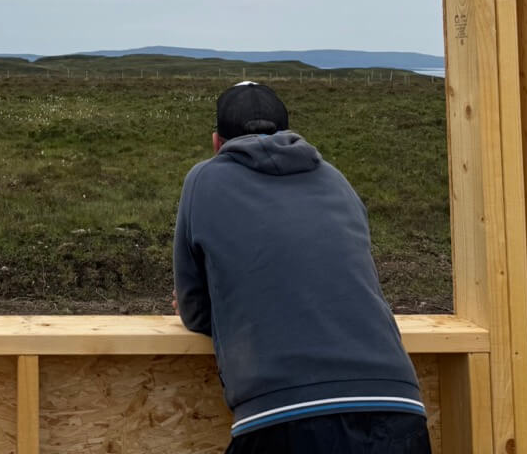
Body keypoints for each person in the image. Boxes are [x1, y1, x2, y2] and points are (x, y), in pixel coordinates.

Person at [173, 81, 431, 454]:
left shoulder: (204, 179)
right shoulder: (336, 179)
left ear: (217, 143)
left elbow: (195, 310)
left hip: (283, 415)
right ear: (290, 133)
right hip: (399, 407)